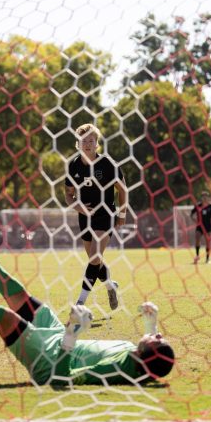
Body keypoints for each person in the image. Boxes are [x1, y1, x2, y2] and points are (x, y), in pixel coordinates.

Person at [0, 196, 174, 386]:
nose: (160, 336)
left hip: (47, 361)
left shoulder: (118, 370)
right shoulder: (135, 358)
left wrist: (72, 333)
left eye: (158, 341)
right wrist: (151, 324)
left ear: (147, 354)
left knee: (0, 316)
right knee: (11, 287)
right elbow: (149, 362)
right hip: (52, 336)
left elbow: (62, 379)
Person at [64, 124, 128, 310]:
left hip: (105, 214)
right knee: (96, 260)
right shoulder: (73, 166)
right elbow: (68, 195)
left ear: (97, 144)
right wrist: (79, 207)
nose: (87, 144)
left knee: (94, 257)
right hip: (85, 217)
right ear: (78, 144)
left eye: (91, 140)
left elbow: (122, 189)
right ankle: (110, 286)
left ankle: (80, 303)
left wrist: (122, 213)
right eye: (84, 140)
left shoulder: (107, 164)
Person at [190, 191, 211, 264]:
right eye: (203, 196)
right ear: (201, 198)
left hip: (207, 226)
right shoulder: (198, 206)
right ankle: (197, 256)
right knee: (197, 238)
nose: (204, 198)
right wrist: (195, 220)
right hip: (199, 226)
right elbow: (191, 214)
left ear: (208, 198)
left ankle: (207, 259)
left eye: (206, 196)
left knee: (208, 242)